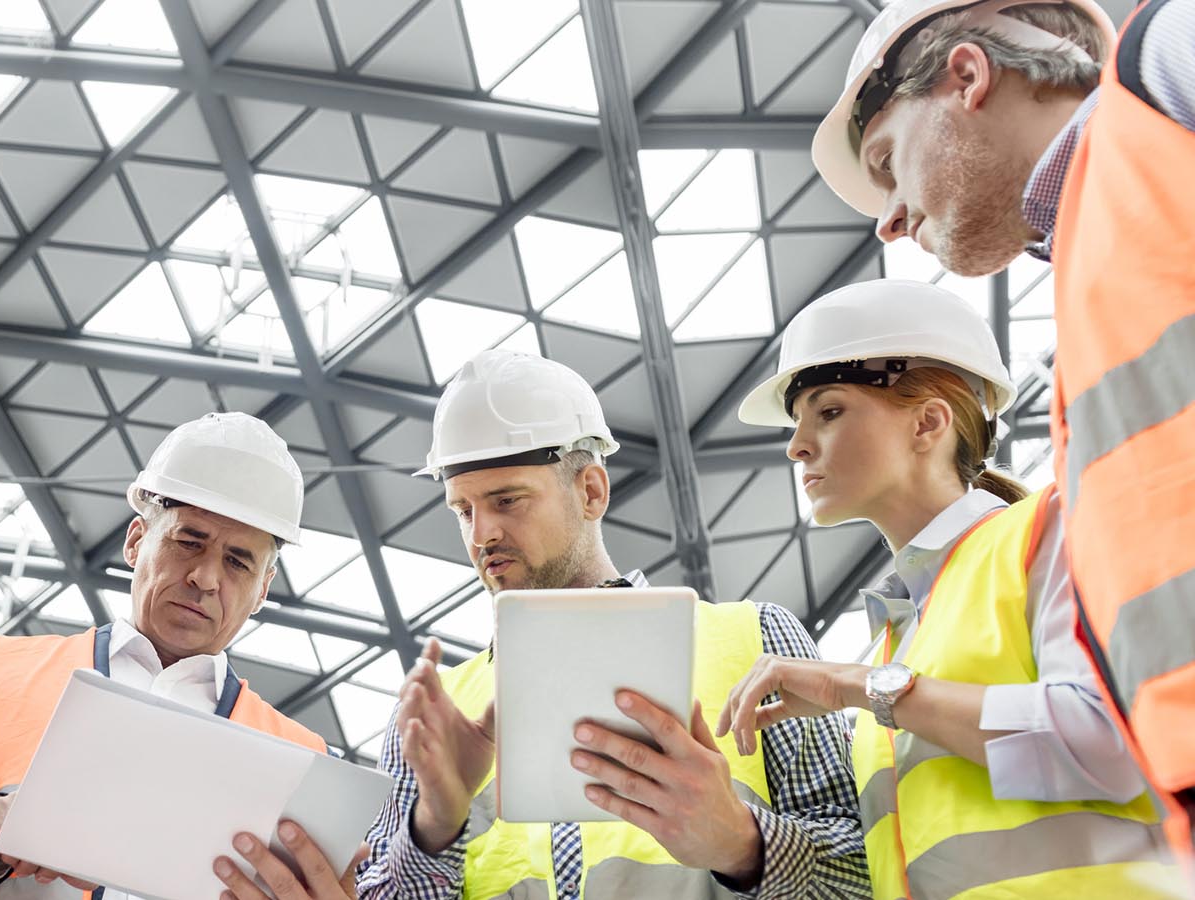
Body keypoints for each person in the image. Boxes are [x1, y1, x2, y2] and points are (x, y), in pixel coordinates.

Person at [810, 0, 1195, 860]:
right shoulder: (1097, 304)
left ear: (968, 78)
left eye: (886, 161)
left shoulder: (1165, 64)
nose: (889, 220)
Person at [717, 279, 1182, 897]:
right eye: (798, 423)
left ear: (928, 423)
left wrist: (856, 688)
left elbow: (1111, 742)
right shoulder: (897, 637)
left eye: (828, 411)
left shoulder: (1050, 532)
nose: (798, 447)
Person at [357, 349, 869, 899]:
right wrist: (435, 826)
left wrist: (743, 844)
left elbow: (868, 873)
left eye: (507, 500)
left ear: (592, 491)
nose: (482, 534)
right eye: (463, 510)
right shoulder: (437, 709)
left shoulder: (757, 640)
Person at [0, 412, 363, 900]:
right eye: (188, 541)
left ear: (263, 590)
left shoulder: (303, 760)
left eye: (238, 562)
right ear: (135, 541)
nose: (205, 577)